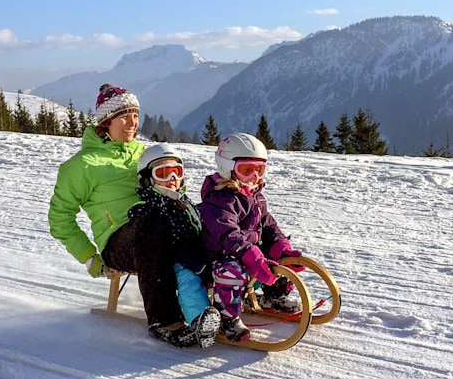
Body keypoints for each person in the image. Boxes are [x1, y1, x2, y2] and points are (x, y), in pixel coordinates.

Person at [48, 84, 218, 348]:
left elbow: (174, 185)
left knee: (212, 216)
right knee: (153, 226)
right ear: (106, 121)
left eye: (135, 115)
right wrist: (90, 258)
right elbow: (59, 218)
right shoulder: (81, 166)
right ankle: (164, 320)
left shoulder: (144, 153)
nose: (133, 123)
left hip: (162, 225)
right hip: (120, 242)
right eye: (124, 116)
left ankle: (231, 293)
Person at [199, 133, 304, 342]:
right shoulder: (219, 200)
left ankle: (274, 296)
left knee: (276, 257)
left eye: (259, 169)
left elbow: (268, 225)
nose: (254, 176)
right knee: (232, 271)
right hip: (217, 257)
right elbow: (228, 235)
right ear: (227, 168)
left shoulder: (255, 197)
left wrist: (280, 246)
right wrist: (251, 254)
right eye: (246, 170)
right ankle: (227, 317)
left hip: (245, 252)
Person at [127, 143, 220, 347]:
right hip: (175, 261)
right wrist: (196, 263)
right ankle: (200, 319)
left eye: (176, 173)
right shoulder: (148, 207)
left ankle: (232, 305)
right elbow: (162, 241)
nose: (172, 180)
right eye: (163, 173)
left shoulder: (184, 202)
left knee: (227, 268)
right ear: (147, 178)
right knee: (189, 282)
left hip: (196, 255)